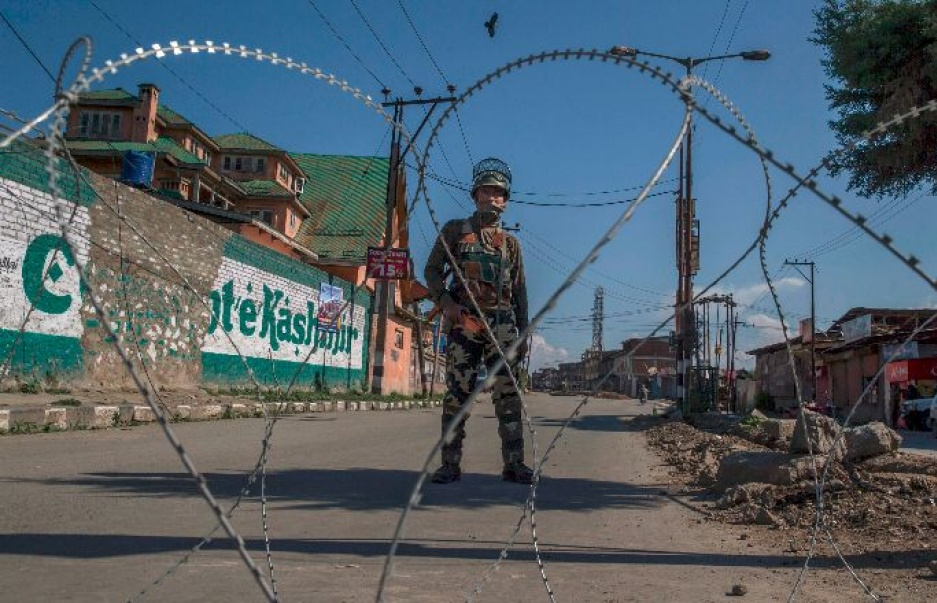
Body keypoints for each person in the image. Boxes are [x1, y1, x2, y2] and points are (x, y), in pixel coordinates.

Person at [424, 157, 532, 485]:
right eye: (487, 190)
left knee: (508, 396)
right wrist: (445, 302)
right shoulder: (455, 231)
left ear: (506, 200)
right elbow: (432, 270)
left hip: (502, 323)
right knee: (458, 394)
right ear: (475, 194)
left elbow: (520, 290)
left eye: (499, 193)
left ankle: (514, 464)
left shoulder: (511, 245)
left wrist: (523, 332)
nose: (493, 197)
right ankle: (449, 464)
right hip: (465, 322)